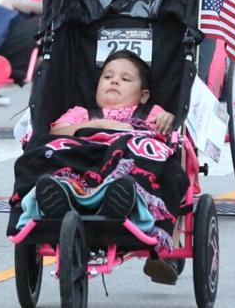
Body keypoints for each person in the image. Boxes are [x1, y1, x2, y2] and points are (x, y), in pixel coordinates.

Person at [14, 50, 184, 285]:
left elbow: (163, 137)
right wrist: (97, 125)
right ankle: (59, 193)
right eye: (107, 77)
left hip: (126, 164)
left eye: (125, 79)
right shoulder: (80, 113)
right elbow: (57, 133)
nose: (114, 81)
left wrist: (166, 118)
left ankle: (122, 198)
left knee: (156, 157)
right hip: (81, 163)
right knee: (46, 150)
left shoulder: (151, 113)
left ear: (144, 95)